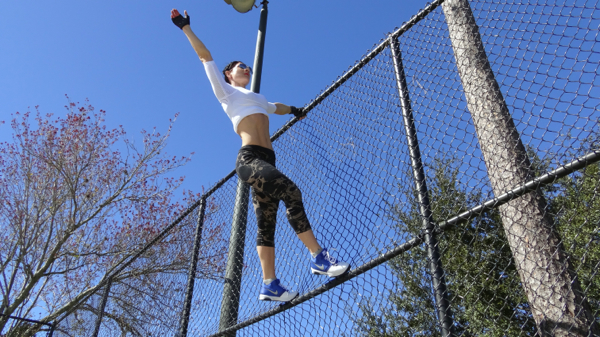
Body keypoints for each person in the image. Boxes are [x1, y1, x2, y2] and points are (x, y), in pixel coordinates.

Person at [171, 9, 349, 302]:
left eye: (247, 66)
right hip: (250, 160)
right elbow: (205, 57)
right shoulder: (226, 92)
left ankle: (270, 284)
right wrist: (186, 28)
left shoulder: (257, 98)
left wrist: (294, 110)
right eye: (241, 66)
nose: (246, 68)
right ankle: (318, 257)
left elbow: (273, 106)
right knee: (292, 193)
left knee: (266, 225)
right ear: (229, 74)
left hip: (267, 162)